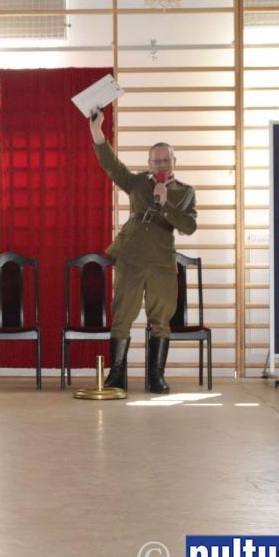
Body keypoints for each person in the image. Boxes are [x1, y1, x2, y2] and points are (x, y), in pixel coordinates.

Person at [89, 108, 197, 393]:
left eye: (166, 159)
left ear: (174, 161)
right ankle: (116, 375)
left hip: (162, 261)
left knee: (161, 319)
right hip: (131, 256)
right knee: (122, 314)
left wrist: (166, 203)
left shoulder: (185, 191)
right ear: (149, 162)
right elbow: (112, 165)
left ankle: (156, 377)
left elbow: (189, 226)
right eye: (156, 160)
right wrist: (97, 131)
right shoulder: (137, 182)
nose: (161, 164)